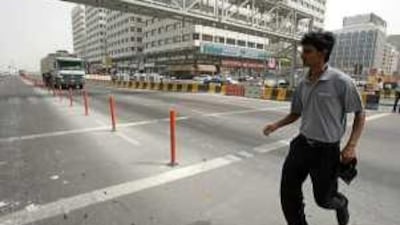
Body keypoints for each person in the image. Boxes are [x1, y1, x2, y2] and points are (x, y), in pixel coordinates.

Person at [263, 32, 366, 225]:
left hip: (326, 152)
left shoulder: (341, 82)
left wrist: (351, 146)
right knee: (288, 192)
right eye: (303, 51)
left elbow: (360, 114)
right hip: (301, 145)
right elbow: (296, 113)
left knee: (325, 200)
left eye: (308, 51)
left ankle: (342, 204)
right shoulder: (303, 84)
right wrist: (276, 125)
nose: (302, 55)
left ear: (322, 53)